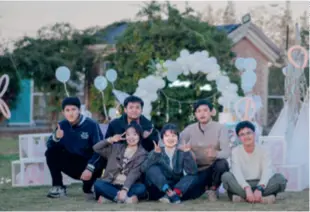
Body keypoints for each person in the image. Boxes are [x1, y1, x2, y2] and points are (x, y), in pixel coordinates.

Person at [45, 97, 104, 198]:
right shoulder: (62, 125)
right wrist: (56, 137)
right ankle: (58, 186)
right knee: (51, 152)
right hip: (73, 164)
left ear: (79, 110)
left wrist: (89, 168)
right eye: (67, 110)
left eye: (73, 109)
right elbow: (49, 145)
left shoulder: (91, 125)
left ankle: (93, 185)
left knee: (88, 191)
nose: (70, 113)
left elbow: (100, 149)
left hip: (90, 166)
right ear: (63, 112)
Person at [221, 121, 287, 204]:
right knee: (226, 177)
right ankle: (265, 197)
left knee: (280, 179)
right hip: (242, 185)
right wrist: (247, 188)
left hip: (261, 183)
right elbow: (237, 172)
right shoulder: (235, 151)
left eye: (249, 133)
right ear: (239, 137)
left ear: (254, 134)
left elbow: (267, 171)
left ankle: (242, 197)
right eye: (242, 134)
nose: (246, 136)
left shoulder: (264, 150)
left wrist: (260, 188)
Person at [180, 100, 230, 201]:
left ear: (211, 112)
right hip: (197, 170)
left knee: (222, 163)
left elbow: (227, 152)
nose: (202, 114)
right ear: (195, 114)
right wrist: (186, 150)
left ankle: (213, 189)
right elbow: (177, 142)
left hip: (214, 168)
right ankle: (204, 187)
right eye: (198, 111)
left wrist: (216, 153)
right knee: (188, 195)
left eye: (205, 110)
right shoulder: (190, 129)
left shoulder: (220, 128)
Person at [141, 124, 198, 204]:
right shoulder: (157, 151)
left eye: (173, 136)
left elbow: (192, 172)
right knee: (152, 169)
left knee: (193, 176)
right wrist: (155, 155)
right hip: (160, 187)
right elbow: (143, 168)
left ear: (178, 138)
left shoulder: (181, 152)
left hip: (176, 185)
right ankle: (169, 193)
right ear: (162, 139)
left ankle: (172, 194)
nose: (170, 139)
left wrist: (187, 153)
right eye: (167, 136)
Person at [93, 122, 148, 204]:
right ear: (125, 136)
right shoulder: (116, 148)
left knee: (141, 188)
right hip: (111, 183)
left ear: (139, 136)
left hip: (129, 186)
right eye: (128, 134)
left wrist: (125, 189)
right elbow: (96, 148)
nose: (131, 137)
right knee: (98, 184)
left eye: (135, 134)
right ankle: (125, 199)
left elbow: (134, 173)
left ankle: (111, 197)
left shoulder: (142, 153)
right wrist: (111, 140)